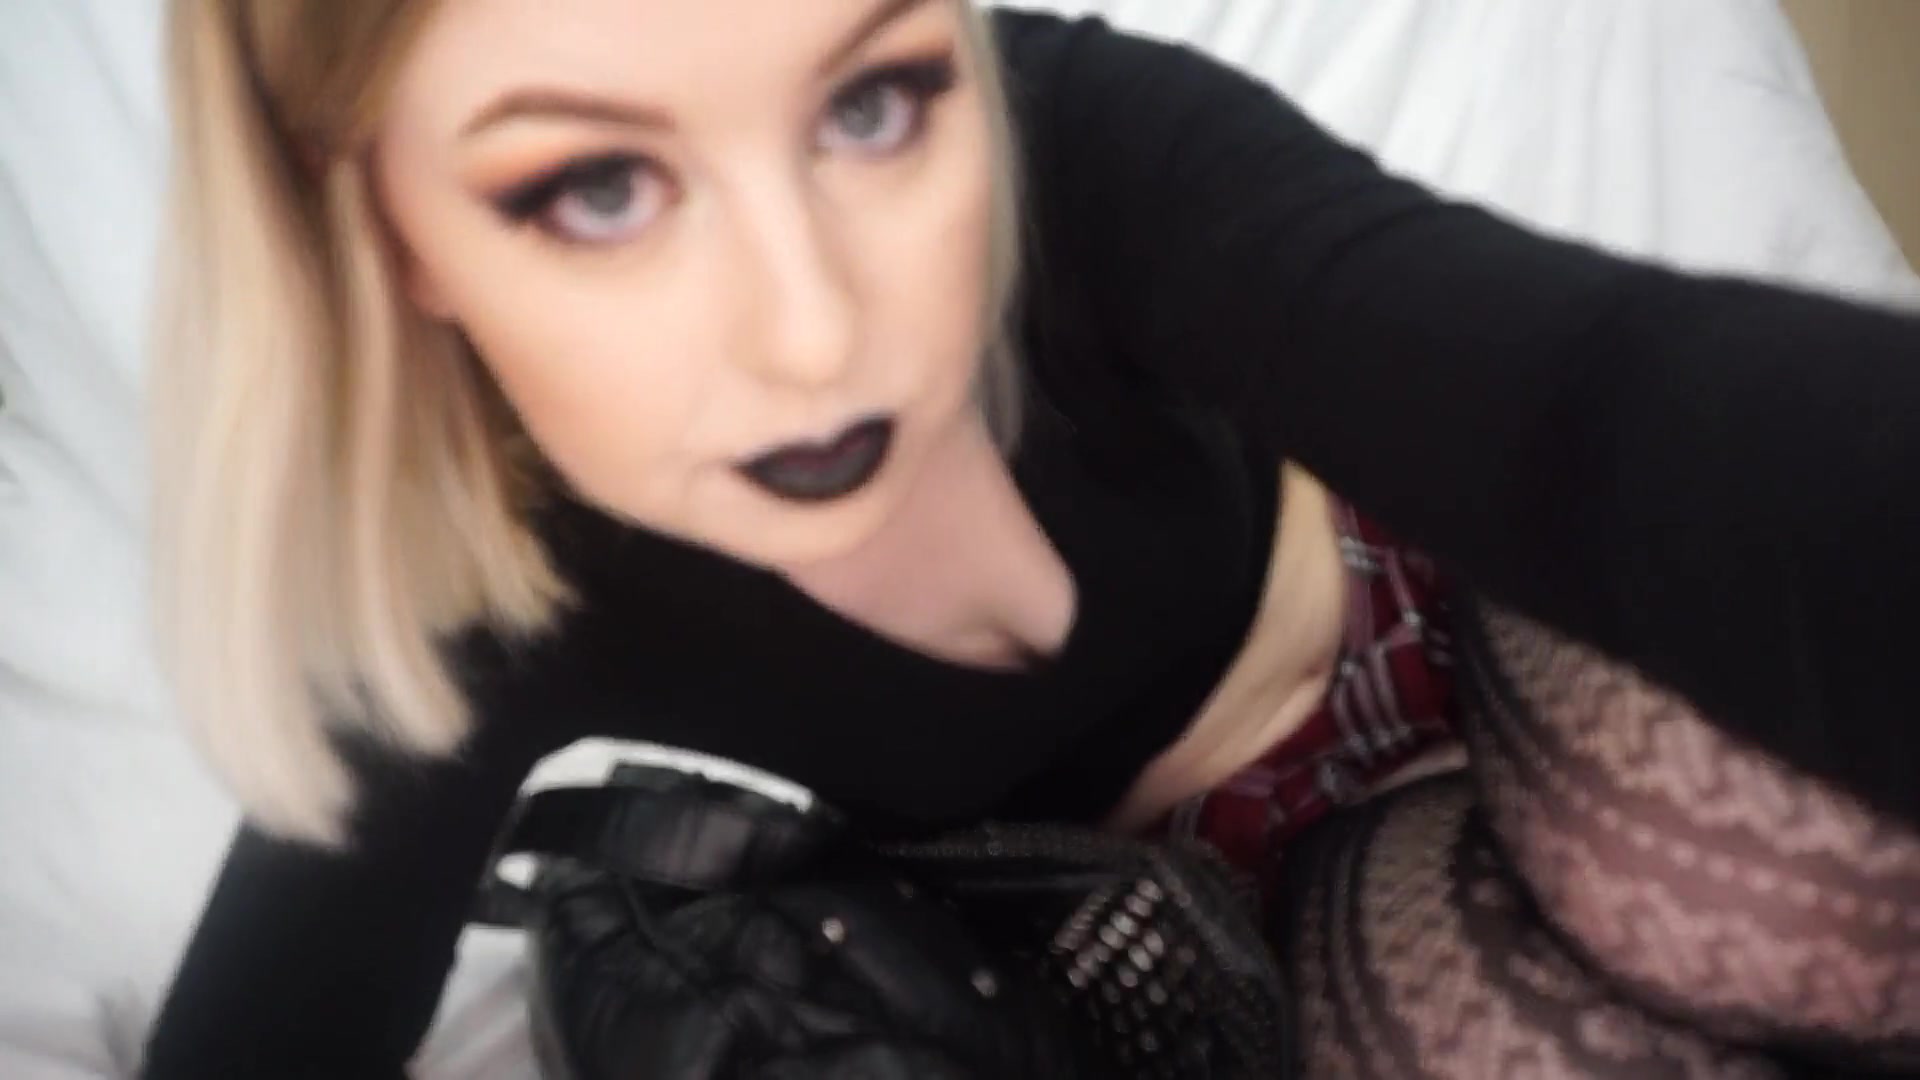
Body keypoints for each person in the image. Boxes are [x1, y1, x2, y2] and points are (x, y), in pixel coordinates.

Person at [142, 0, 1920, 1076]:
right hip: (1208, 915)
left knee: (1801, 891)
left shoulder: (1066, 140)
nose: (816, 332)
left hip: (1440, 630)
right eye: (599, 189)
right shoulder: (476, 596)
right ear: (383, 231)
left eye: (871, 104)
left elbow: (1592, 413)